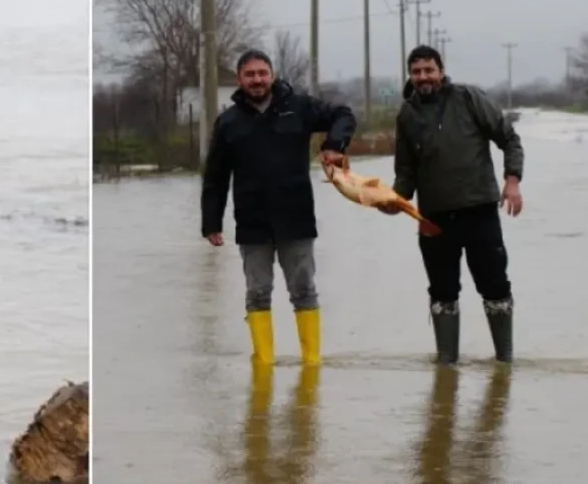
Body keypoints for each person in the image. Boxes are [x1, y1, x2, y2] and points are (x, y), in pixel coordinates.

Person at [200, 50, 357, 367]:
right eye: (250, 74)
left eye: (262, 73)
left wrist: (333, 145)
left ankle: (312, 364)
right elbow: (215, 177)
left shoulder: (299, 107)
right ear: (240, 79)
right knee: (257, 293)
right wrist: (211, 223)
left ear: (272, 75)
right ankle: (264, 365)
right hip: (252, 222)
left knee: (303, 290)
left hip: (296, 217)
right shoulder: (228, 122)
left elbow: (344, 115)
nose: (257, 80)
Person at [381, 45, 523, 364]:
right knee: (442, 293)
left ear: (441, 71)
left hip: (480, 212)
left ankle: (505, 362)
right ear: (410, 76)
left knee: (495, 286)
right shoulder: (406, 114)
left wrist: (512, 181)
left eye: (429, 70)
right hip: (433, 219)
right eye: (416, 72)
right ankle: (446, 367)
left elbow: (509, 138)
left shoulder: (469, 98)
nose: (423, 77)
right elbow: (405, 172)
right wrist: (395, 200)